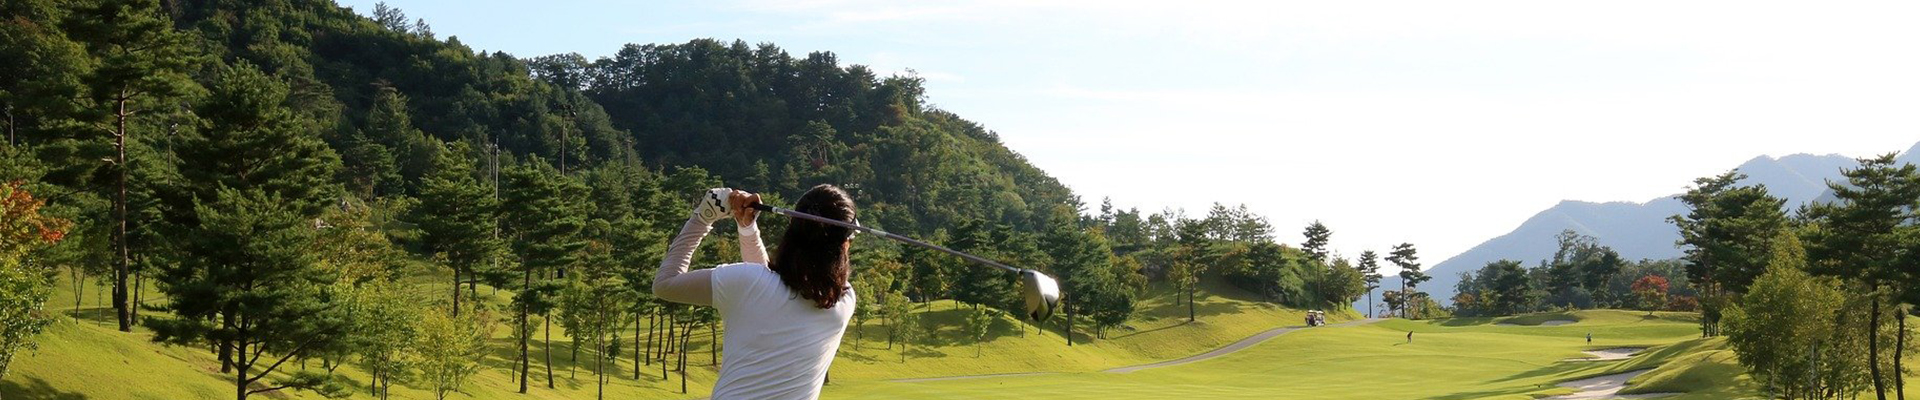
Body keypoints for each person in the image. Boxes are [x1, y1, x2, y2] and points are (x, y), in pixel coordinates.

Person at [653, 185, 859, 400]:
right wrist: (748, 230)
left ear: (791, 227)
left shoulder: (747, 282)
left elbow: (665, 284)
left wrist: (703, 218)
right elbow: (767, 290)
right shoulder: (844, 301)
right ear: (844, 246)